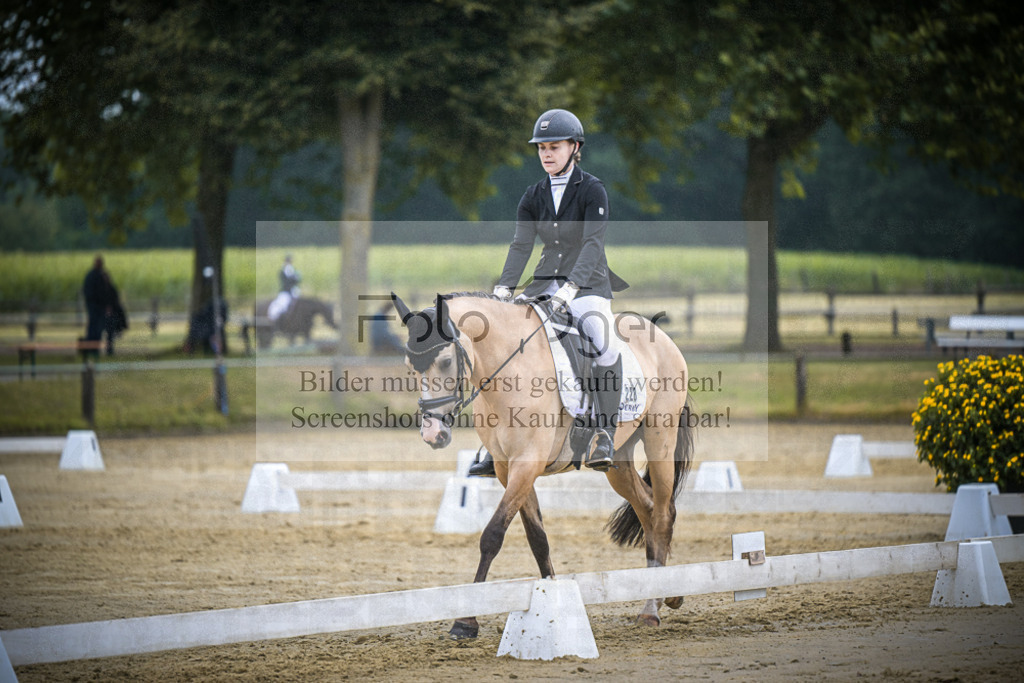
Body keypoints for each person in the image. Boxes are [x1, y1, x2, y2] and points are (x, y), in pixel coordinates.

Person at [469, 108, 629, 477]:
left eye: (553, 147)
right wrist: (504, 290)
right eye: (541, 148)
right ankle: (495, 444)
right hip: (542, 283)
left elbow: (592, 243)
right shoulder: (533, 194)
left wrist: (572, 288)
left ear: (575, 147)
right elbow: (520, 245)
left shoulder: (592, 189)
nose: (546, 154)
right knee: (508, 343)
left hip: (588, 284)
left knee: (603, 342)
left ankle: (604, 431)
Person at [82, 255, 127, 355]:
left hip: (101, 310)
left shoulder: (94, 276)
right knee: (95, 329)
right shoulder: (95, 277)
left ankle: (95, 349)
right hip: (98, 309)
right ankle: (93, 349)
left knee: (97, 329)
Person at [268, 254, 301, 322]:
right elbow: (287, 281)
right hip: (285, 292)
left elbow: (295, 281)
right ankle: (275, 317)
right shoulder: (284, 270)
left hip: (293, 291)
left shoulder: (292, 270)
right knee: (283, 304)